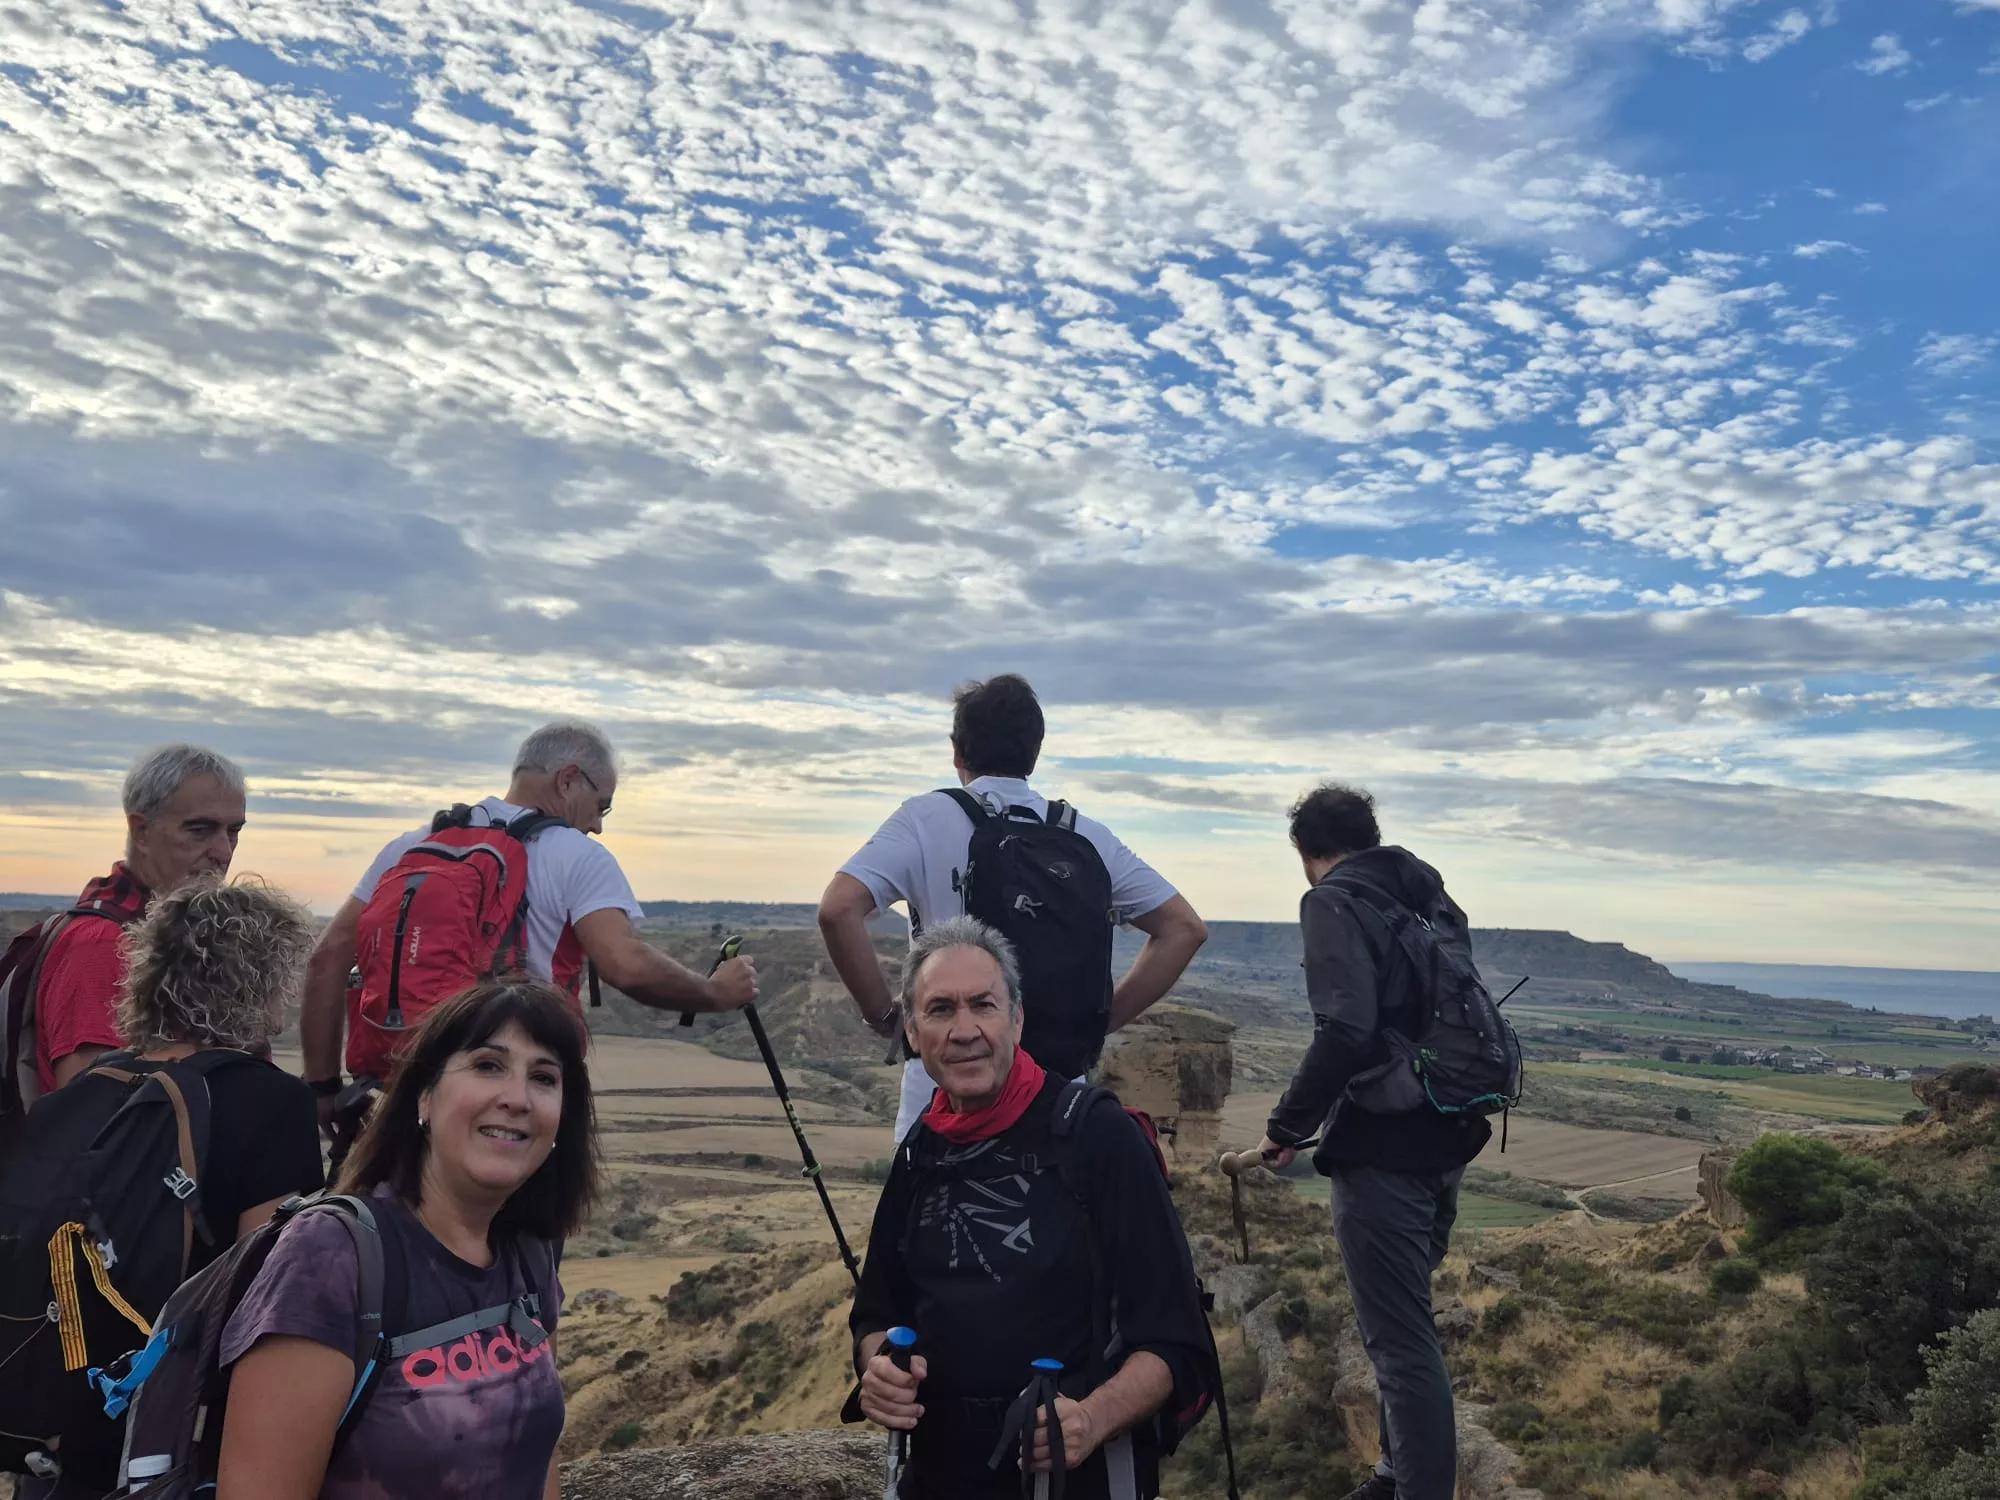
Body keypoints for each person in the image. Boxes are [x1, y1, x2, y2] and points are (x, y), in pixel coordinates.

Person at [850, 916, 1212, 1500]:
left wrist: (1091, 1418)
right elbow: (877, 1311)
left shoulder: (1096, 1137)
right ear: (913, 1032)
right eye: (940, 1009)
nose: (964, 1030)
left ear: (1016, 1018)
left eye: (983, 1005)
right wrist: (878, 1371)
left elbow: (1176, 1338)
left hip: (1074, 1479)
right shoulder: (923, 1145)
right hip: (942, 1470)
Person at [216, 980, 597, 1500]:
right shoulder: (329, 1256)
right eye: (488, 1065)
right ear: (424, 1095)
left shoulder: (528, 1257)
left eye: (544, 1078)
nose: (517, 1098)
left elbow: (537, 1459)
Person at [9, 877, 324, 1500]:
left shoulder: (70, 1101)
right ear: (262, 985)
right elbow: (271, 1303)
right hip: (175, 1446)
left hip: (59, 1443)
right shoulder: (275, 1104)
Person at [301, 719, 759, 1127]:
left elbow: (327, 959)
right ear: (568, 780)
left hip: (402, 1094)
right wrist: (716, 993)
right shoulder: (577, 855)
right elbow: (627, 966)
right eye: (603, 805)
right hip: (509, 1104)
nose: (598, 825)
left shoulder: (415, 843)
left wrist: (322, 1088)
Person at [818, 674, 1207, 1139]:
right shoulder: (1085, 835)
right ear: (1035, 752)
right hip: (1059, 1095)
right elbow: (1184, 929)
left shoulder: (924, 820)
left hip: (945, 1094)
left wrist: (888, 1019)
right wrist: (1098, 1022)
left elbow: (838, 909)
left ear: (957, 752)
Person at [1255, 784, 1492, 1500]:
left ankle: (1416, 1489)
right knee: (1401, 1317)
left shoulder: (1331, 899)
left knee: (1400, 1343)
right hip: (1447, 1131)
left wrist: (1286, 1125)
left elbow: (1346, 1030)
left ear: (1307, 853)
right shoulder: (1424, 895)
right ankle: (1394, 1469)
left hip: (1385, 1145)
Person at [23, 743, 247, 1095]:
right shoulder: (104, 944)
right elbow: (90, 1115)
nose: (223, 852)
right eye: (200, 830)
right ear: (141, 831)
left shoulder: (173, 935)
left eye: (233, 831)